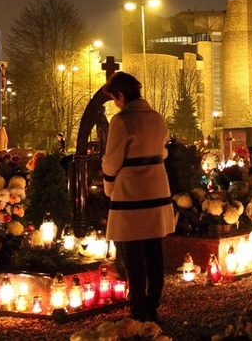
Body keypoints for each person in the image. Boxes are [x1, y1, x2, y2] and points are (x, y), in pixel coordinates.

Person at [101, 71, 175, 322]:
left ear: (121, 95)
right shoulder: (156, 117)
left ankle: (138, 308)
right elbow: (163, 150)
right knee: (154, 249)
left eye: (114, 98)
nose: (115, 103)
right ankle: (152, 303)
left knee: (132, 252)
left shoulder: (121, 121)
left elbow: (112, 160)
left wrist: (109, 184)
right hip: (157, 185)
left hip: (132, 189)